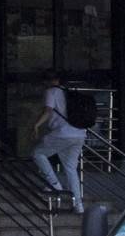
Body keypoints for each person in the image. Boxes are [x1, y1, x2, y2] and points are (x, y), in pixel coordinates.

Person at [31, 76, 86, 210]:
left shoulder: (52, 91)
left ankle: (54, 184)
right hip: (80, 133)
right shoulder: (70, 92)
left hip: (63, 132)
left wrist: (37, 125)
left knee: (38, 153)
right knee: (71, 168)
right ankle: (79, 205)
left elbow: (48, 110)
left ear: (52, 80)